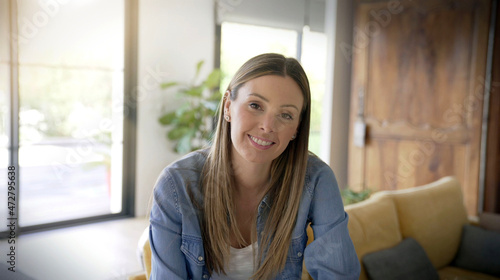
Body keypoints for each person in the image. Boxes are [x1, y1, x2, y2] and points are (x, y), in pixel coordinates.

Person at [149, 53, 360, 279]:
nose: (268, 126)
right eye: (255, 105)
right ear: (228, 106)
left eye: (286, 115)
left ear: (297, 128)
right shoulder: (175, 185)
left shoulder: (315, 180)